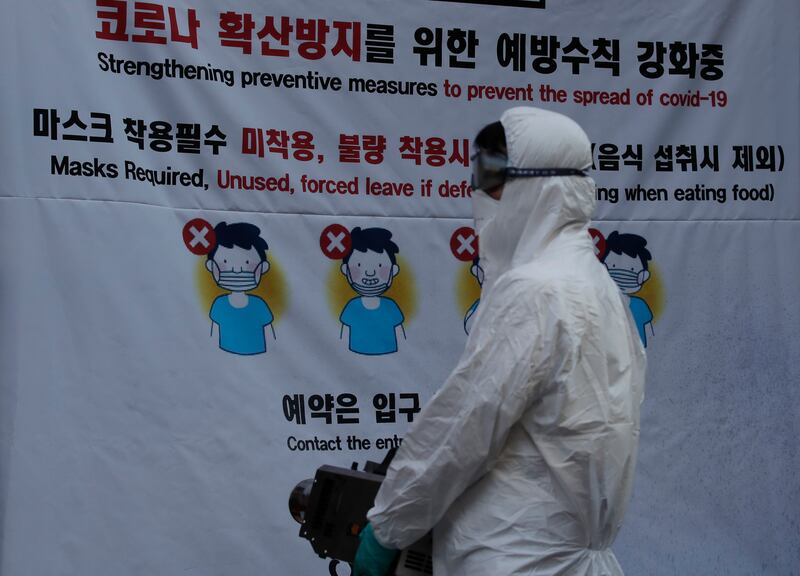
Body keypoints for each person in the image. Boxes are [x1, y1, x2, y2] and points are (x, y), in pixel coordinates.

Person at [353, 107, 647, 576]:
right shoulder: (600, 287)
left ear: (537, 187)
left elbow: (462, 430)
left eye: (492, 179)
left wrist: (389, 525)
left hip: (513, 557)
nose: (480, 196)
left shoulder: (534, 291)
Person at [339, 227, 406, 355]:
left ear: (394, 270)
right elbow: (343, 337)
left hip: (391, 358)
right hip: (354, 358)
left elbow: (401, 336)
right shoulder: (352, 307)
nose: (370, 273)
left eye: (380, 265)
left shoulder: (391, 307)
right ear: (345, 269)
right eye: (358, 265)